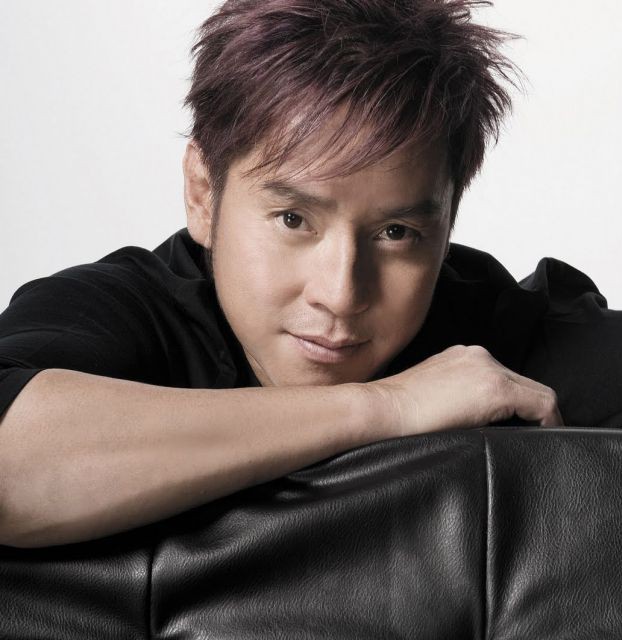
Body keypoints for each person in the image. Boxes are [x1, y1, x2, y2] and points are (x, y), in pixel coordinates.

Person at [0, 0, 589, 549]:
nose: (340, 294)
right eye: (292, 219)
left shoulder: (492, 333)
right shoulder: (120, 308)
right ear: (203, 193)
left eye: (396, 233)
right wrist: (388, 407)